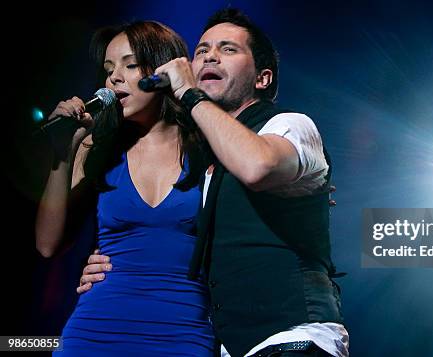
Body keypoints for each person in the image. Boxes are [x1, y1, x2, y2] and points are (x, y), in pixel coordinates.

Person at [78, 8, 349, 357]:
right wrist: (113, 266)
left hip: (292, 339)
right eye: (202, 50)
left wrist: (191, 95)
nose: (210, 56)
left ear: (262, 79)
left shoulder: (291, 125)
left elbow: (258, 166)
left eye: (228, 49)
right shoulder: (206, 160)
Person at [35, 21, 215, 355]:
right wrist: (62, 154)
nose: (114, 77)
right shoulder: (95, 146)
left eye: (129, 65)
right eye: (109, 68)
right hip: (95, 329)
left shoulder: (208, 144)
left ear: (164, 69)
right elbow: (47, 245)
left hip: (184, 331)